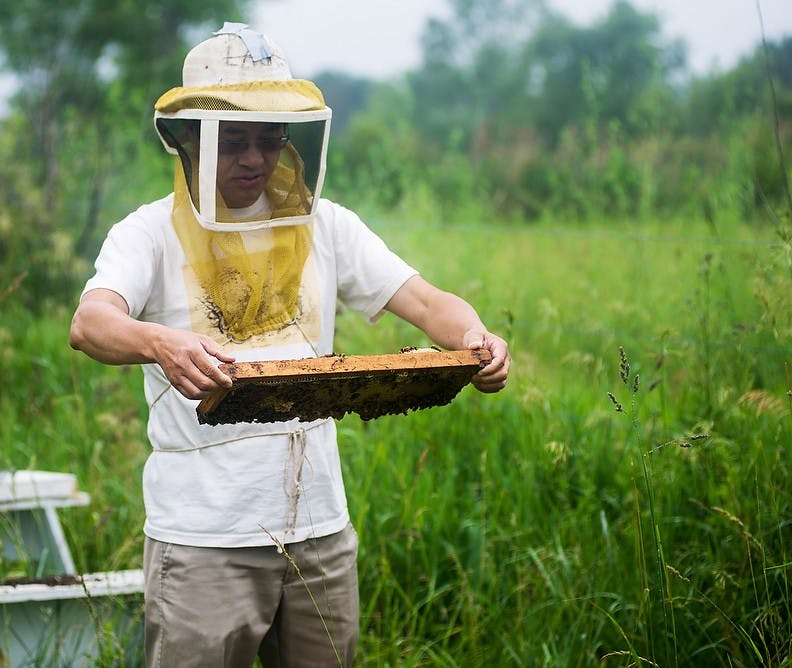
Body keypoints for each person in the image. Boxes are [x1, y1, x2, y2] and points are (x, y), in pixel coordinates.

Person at [69, 22, 510, 668]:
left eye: (269, 139)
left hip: (319, 534)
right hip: (204, 540)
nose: (255, 159)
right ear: (191, 137)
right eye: (236, 140)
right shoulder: (147, 235)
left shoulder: (326, 225)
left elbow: (425, 302)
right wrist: (160, 342)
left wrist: (476, 337)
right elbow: (91, 323)